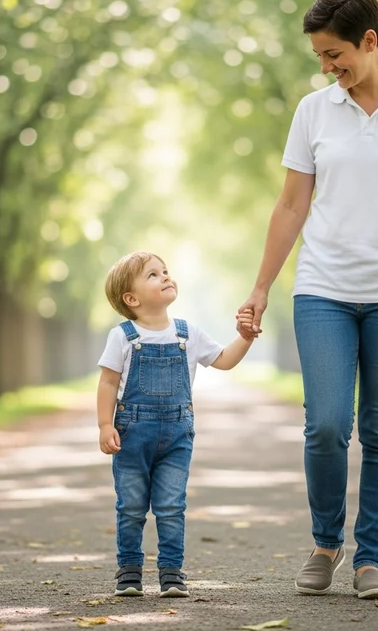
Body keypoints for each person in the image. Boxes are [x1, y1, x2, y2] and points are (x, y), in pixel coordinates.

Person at [237, 0, 378, 600]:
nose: (327, 68)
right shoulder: (315, 111)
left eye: (334, 54)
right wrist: (260, 287)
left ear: (370, 41)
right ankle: (324, 544)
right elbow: (290, 205)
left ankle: (372, 561)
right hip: (324, 289)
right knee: (328, 424)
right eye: (318, 57)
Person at [97, 251, 254, 598]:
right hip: (131, 434)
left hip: (177, 435)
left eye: (165, 271)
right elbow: (108, 382)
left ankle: (171, 573)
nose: (166, 277)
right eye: (153, 275)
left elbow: (224, 360)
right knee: (132, 505)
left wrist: (244, 336)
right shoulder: (123, 336)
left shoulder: (187, 333)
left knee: (171, 505)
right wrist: (105, 424)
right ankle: (129, 572)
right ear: (132, 298)